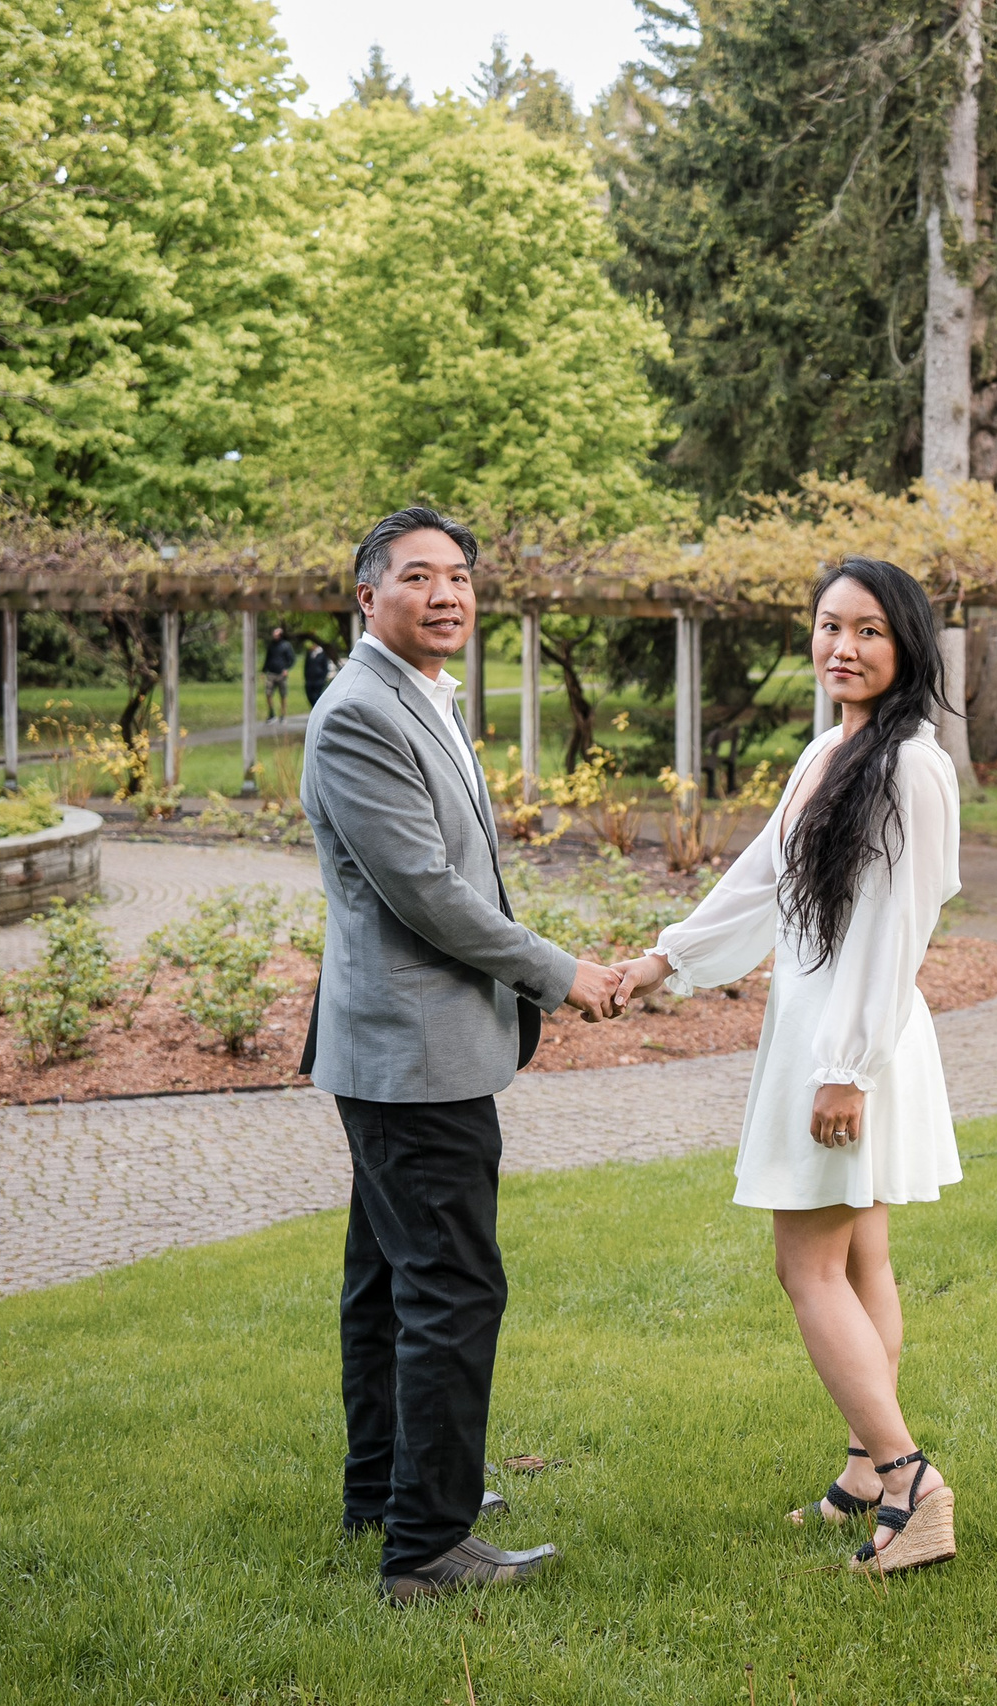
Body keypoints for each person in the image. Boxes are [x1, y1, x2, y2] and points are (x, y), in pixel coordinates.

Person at [608, 556, 962, 1576]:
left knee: (804, 1265)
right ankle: (864, 1471)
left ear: (905, 648)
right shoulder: (828, 749)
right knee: (858, 1259)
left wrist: (846, 1065)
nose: (841, 648)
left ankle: (911, 1481)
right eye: (827, 626)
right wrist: (665, 956)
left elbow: (901, 928)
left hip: (854, 1039)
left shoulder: (909, 766)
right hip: (824, 1024)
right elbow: (761, 879)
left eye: (867, 632)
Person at [298, 505, 625, 1604]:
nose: (448, 594)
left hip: (407, 1050)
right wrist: (558, 968)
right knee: (450, 1285)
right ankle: (428, 1547)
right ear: (367, 597)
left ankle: (384, 1493)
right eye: (420, 576)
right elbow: (429, 893)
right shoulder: (359, 713)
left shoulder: (413, 696)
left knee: (389, 1281)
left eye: (461, 576)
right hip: (412, 1054)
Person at [262, 625, 298, 725]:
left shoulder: (286, 645)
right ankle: (271, 714)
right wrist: (263, 670)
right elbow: (267, 658)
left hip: (281, 674)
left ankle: (283, 715)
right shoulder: (271, 646)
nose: (275, 636)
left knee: (283, 695)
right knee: (268, 693)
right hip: (271, 673)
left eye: (277, 634)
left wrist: (286, 668)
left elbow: (292, 659)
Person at [302, 639, 334, 708]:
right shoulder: (310, 653)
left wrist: (323, 679)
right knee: (310, 695)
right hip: (310, 679)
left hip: (318, 679)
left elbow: (325, 667)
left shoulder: (322, 654)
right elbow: (306, 666)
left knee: (316, 696)